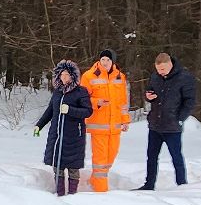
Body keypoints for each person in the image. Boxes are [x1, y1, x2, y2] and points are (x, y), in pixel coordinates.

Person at [137, 52, 196, 190]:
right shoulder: (155, 77)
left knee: (176, 157)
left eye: (163, 69)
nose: (160, 72)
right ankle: (149, 184)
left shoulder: (184, 78)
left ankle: (181, 185)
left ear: (170, 64)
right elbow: (149, 92)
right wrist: (148, 96)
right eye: (158, 70)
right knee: (151, 157)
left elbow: (190, 101)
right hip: (155, 124)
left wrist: (180, 118)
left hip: (172, 126)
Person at [33, 60, 93, 195]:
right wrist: (39, 125)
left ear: (73, 76)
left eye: (67, 74)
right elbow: (50, 111)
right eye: (62, 75)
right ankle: (59, 194)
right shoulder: (57, 92)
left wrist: (70, 110)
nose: (64, 77)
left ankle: (72, 195)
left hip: (74, 136)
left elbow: (88, 111)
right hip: (57, 135)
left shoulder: (81, 92)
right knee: (58, 166)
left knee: (73, 167)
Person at [80, 49, 130, 192]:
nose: (105, 62)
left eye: (108, 60)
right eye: (103, 60)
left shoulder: (120, 77)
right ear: (99, 61)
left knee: (111, 156)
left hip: (115, 126)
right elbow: (82, 99)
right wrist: (96, 102)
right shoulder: (89, 76)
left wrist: (125, 120)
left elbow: (123, 102)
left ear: (113, 61)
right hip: (99, 125)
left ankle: (94, 180)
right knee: (100, 160)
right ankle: (101, 190)